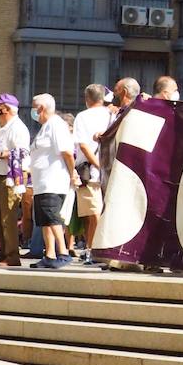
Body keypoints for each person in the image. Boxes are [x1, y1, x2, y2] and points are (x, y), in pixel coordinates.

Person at [27, 93, 80, 269]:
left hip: (53, 181)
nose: (33, 110)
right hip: (41, 183)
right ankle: (49, 254)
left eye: (34, 107)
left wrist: (73, 173)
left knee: (52, 218)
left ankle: (63, 252)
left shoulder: (56, 125)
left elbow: (66, 152)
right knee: (44, 220)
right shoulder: (45, 127)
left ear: (41, 108)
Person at [0, 94, 30, 267]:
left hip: (11, 177)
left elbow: (22, 153)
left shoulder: (18, 128)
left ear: (8, 110)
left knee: (8, 218)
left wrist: (1, 154)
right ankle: (3, 252)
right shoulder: (4, 128)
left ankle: (12, 255)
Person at [72, 84, 112, 267]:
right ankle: (94, 249)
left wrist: (97, 165)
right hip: (108, 171)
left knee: (93, 214)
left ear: (87, 99)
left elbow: (83, 146)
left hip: (90, 172)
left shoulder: (82, 116)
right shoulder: (111, 115)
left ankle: (94, 250)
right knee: (97, 213)